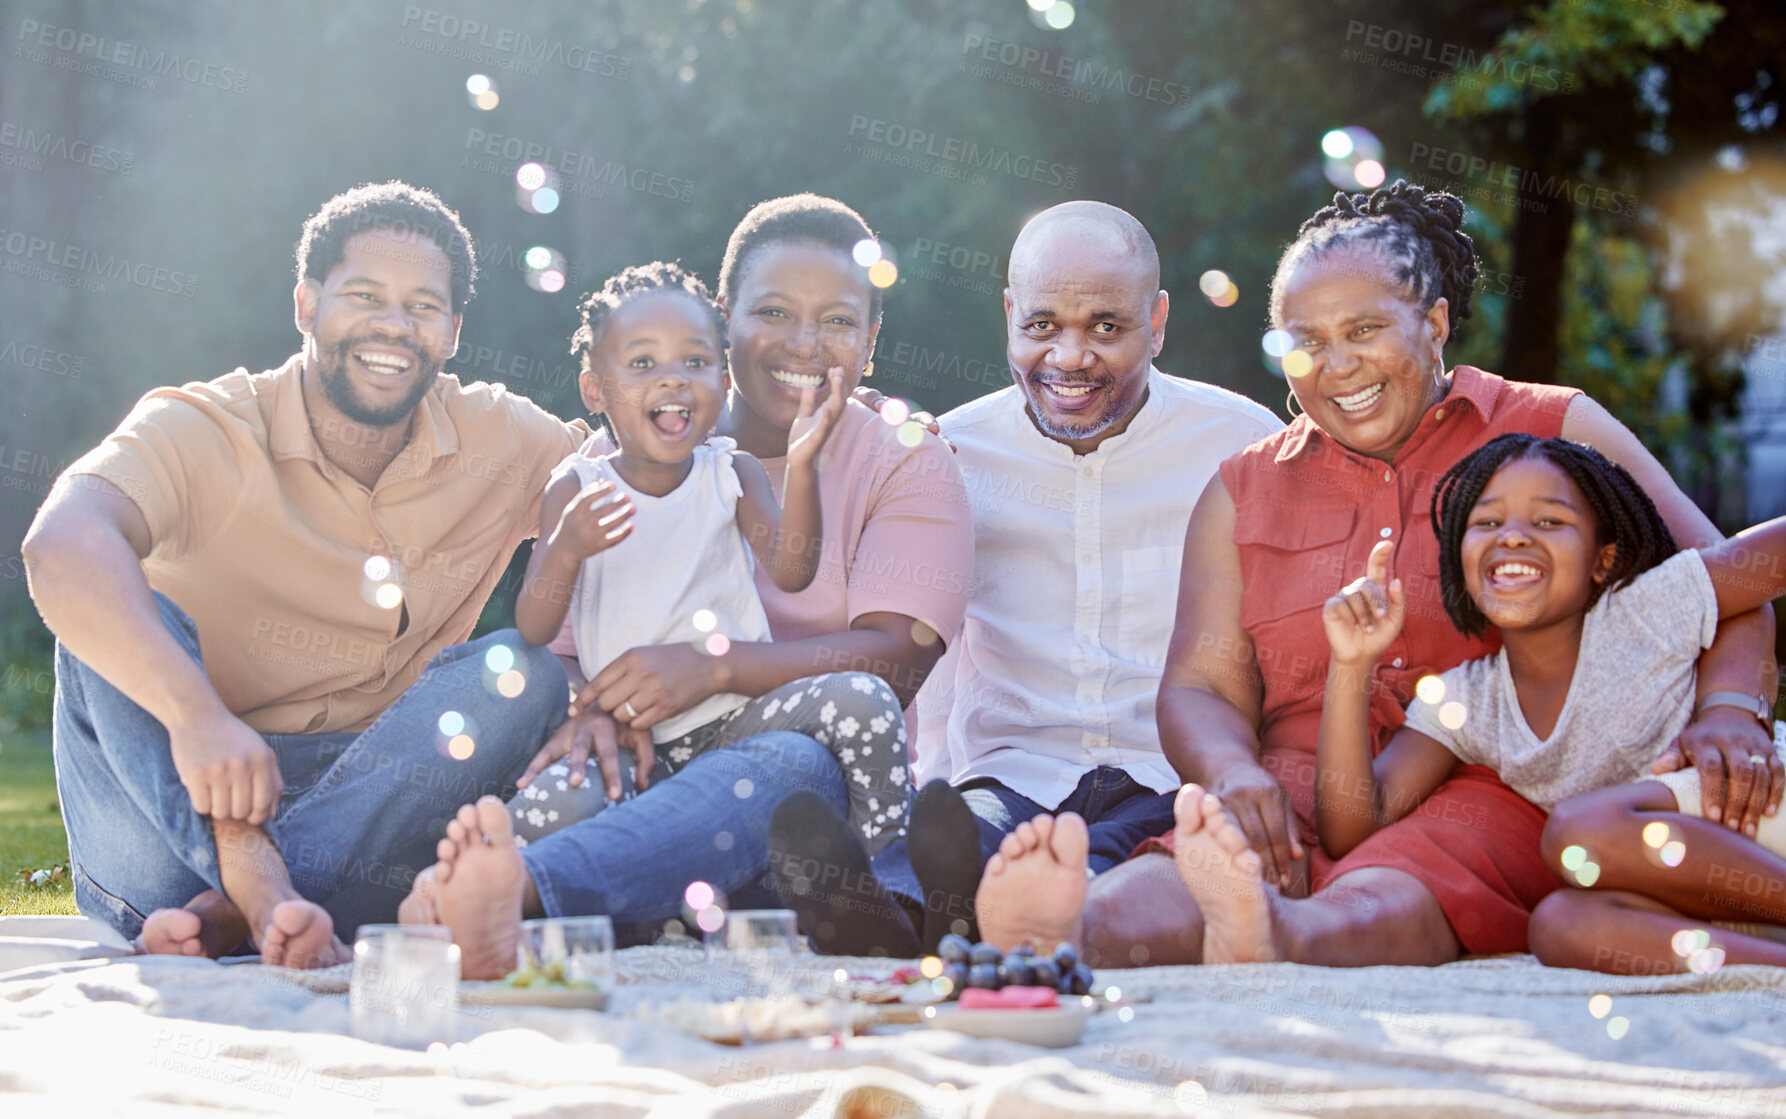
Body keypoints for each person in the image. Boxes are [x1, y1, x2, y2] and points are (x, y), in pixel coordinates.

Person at [970, 180, 1778, 968]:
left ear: (1433, 324)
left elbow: (1721, 583)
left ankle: (1285, 937)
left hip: (1482, 780)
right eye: (1307, 342)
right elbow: (1200, 689)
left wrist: (1732, 710)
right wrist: (1233, 773)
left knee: (1394, 881)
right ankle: (1074, 930)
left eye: (1364, 330)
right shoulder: (1242, 487)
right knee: (1171, 877)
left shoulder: (1549, 428)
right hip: (1292, 781)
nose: (1338, 365)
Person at [401, 194, 973, 979]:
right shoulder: (621, 458)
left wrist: (714, 665)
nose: (804, 343)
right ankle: (488, 897)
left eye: (838, 321)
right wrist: (588, 710)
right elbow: (556, 646)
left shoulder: (902, 459)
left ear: (871, 341)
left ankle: (538, 894)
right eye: (772, 311)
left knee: (791, 766)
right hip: (644, 755)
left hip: (795, 786)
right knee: (559, 786)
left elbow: (896, 661)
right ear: (723, 317)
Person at [22, 182, 587, 968]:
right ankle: (253, 878)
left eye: (423, 306)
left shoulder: (504, 439)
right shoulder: (206, 426)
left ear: (453, 332)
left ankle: (241, 912)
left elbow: (640, 480)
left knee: (522, 672)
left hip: (370, 812)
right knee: (109, 618)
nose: (394, 324)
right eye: (364, 296)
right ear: (306, 305)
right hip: (169, 814)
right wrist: (198, 720)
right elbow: (60, 545)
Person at [761, 200, 1281, 957]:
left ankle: (980, 911)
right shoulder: (946, 455)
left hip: (1171, 772)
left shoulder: (1241, 445)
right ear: (1009, 314)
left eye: (1106, 325)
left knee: (1097, 865)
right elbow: (852, 605)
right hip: (1013, 771)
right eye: (1043, 326)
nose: (1070, 357)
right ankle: (888, 905)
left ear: (1158, 319)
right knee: (962, 833)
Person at [1305, 433, 1786, 973]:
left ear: (1603, 561)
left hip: (1760, 802)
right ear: (1460, 557)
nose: (1512, 537)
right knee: (1558, 926)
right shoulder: (1468, 698)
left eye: (1549, 522)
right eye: (1487, 523)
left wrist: (1732, 708)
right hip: (1701, 881)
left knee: (1579, 833)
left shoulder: (1642, 611)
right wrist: (1351, 665)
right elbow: (1351, 824)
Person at [507, 260, 910, 856]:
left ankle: (888, 882)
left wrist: (801, 467)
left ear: (722, 383)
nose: (673, 380)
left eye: (694, 361)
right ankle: (492, 878)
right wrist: (565, 548)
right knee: (553, 804)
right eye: (643, 363)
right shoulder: (577, 487)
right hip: (626, 735)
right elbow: (534, 630)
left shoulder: (731, 472)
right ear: (594, 388)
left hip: (739, 725)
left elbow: (792, 572)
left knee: (868, 700)